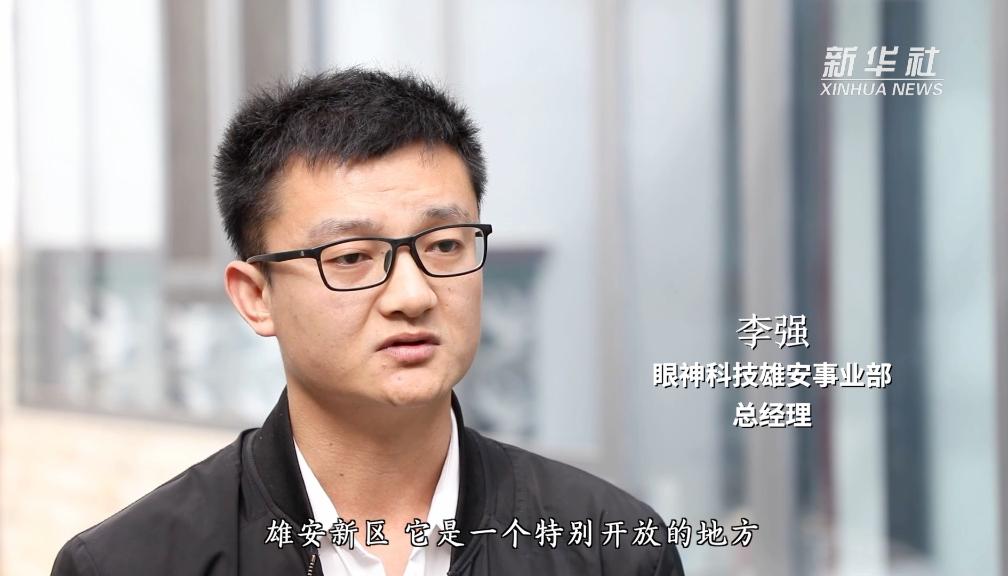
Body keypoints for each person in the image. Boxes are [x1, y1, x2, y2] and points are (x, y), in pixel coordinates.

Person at [50, 67, 685, 576]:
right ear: (256, 296)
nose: (412, 295)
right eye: (351, 256)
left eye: (445, 245)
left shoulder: (615, 551)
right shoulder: (128, 563)